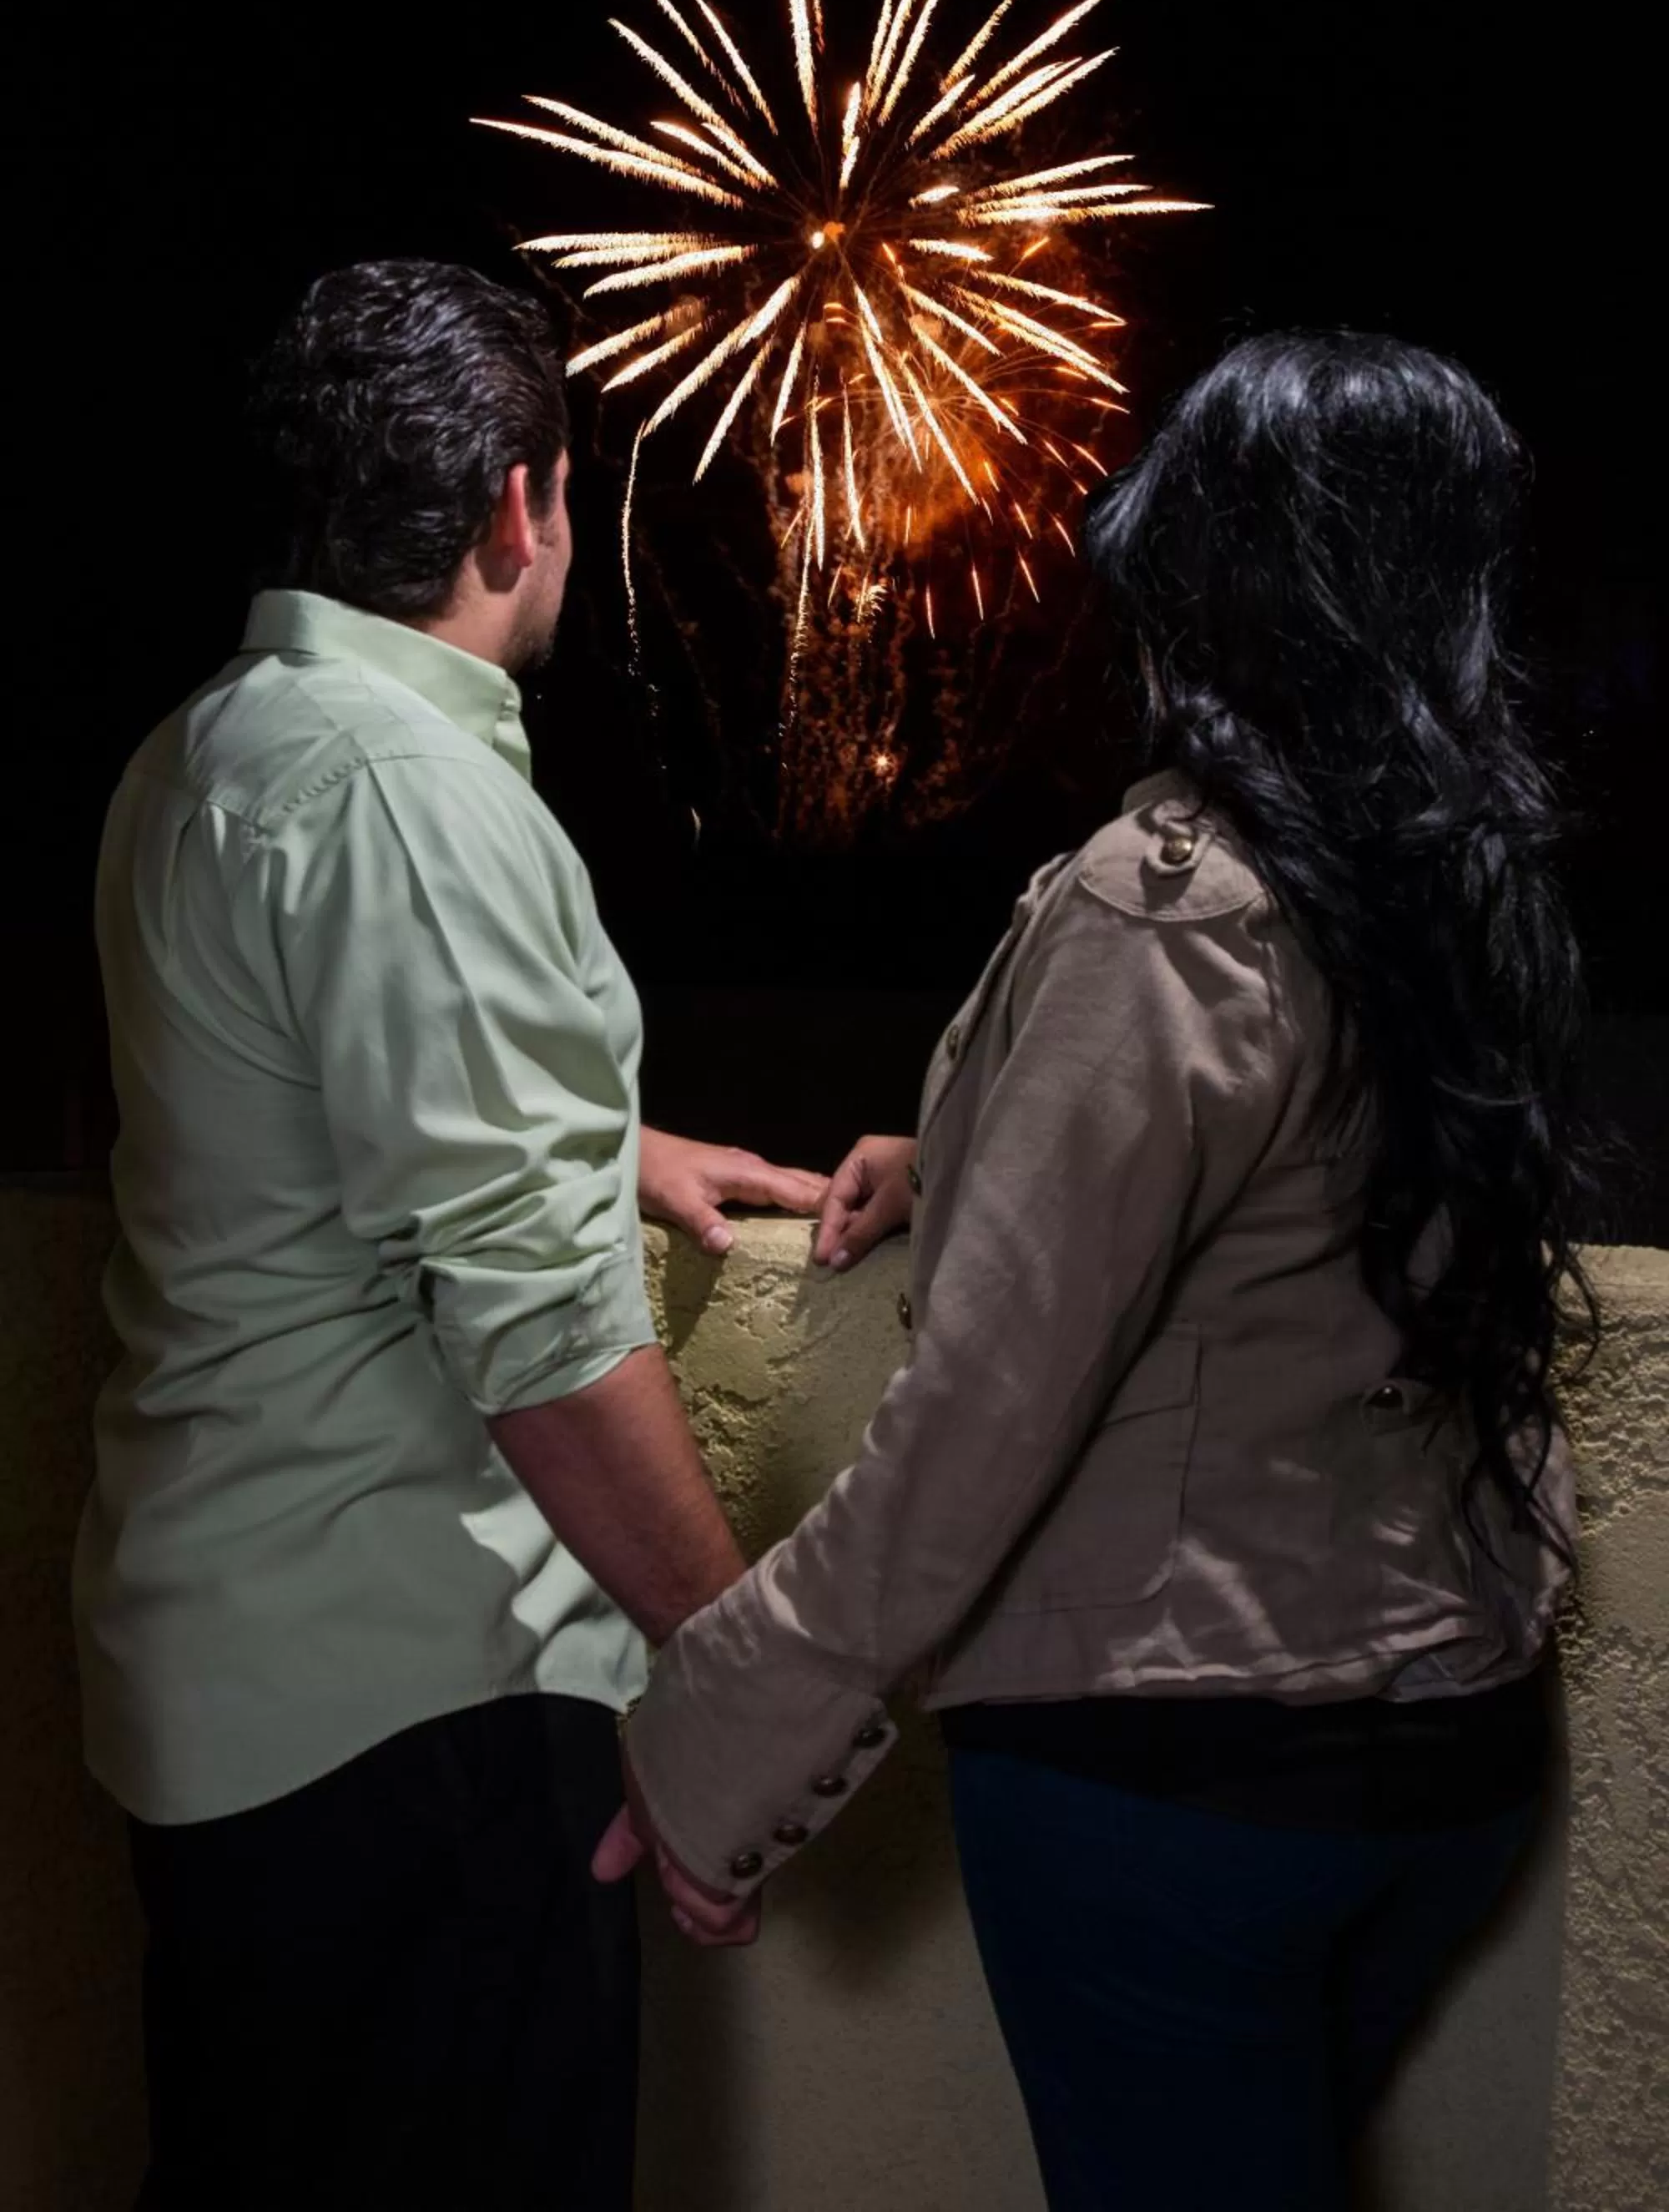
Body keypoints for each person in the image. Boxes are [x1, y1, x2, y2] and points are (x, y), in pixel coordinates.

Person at [597, 331, 1603, 2210]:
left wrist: (715, 1754)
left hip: (1177, 1781)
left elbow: (975, 1423)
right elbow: (1309, 1182)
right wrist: (963, 1142)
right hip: (1448, 1748)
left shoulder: (1163, 913)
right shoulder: (1466, 885)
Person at [75, 257, 826, 2209]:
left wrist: (604, 1142)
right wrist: (746, 1673)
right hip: (409, 1708)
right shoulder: (407, 791)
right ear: (518, 503)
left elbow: (313, 1113)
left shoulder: (214, 748)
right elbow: (534, 1332)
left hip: (233, 1680)